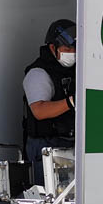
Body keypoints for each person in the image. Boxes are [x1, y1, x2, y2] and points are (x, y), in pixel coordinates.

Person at [22, 19, 76, 184]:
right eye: (67, 48)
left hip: (69, 145)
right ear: (53, 47)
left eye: (75, 48)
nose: (72, 52)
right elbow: (39, 111)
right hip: (44, 148)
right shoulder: (37, 73)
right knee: (49, 200)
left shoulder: (76, 70)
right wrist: (72, 102)